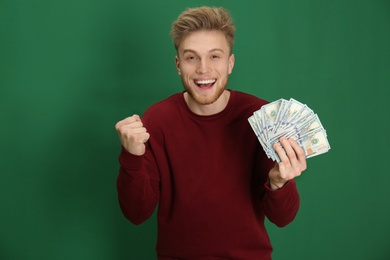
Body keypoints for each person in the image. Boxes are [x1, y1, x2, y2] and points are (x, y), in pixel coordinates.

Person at [115, 6, 307, 260]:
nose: (203, 69)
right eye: (191, 57)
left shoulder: (262, 117)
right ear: (178, 64)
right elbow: (136, 214)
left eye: (214, 56)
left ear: (230, 63)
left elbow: (283, 218)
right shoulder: (156, 120)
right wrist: (132, 157)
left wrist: (280, 183)